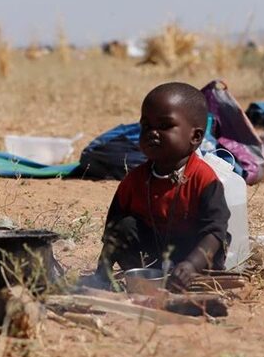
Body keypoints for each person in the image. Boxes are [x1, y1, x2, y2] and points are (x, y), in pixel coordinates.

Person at [89, 82, 231, 291]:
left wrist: (191, 265)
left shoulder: (203, 179)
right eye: (146, 126)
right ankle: (151, 278)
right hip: (151, 259)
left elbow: (215, 230)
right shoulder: (134, 180)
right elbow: (114, 231)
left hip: (195, 259)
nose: (152, 133)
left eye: (165, 126)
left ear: (196, 137)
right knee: (125, 225)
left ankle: (187, 278)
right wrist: (102, 275)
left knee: (213, 242)